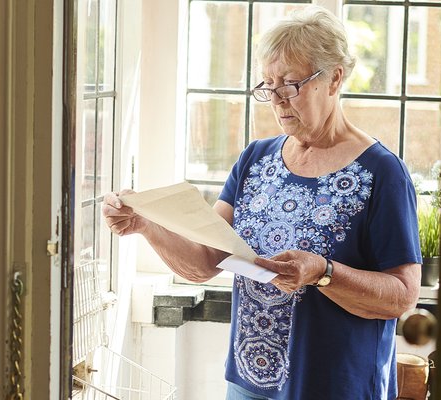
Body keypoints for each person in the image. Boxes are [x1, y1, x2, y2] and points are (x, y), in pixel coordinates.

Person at [103, 6, 422, 400]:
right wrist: (146, 225)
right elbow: (205, 259)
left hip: (335, 386)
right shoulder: (256, 159)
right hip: (249, 382)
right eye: (268, 85)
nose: (277, 99)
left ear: (335, 78)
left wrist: (323, 272)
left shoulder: (382, 173)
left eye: (290, 84)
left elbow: (402, 295)